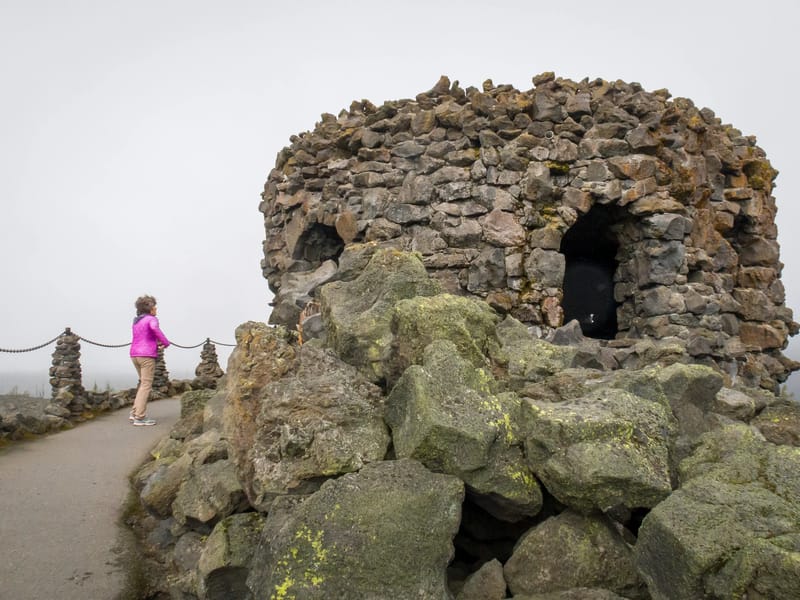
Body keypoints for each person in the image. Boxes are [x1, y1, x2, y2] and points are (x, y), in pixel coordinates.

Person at [129, 295, 170, 426]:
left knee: (143, 384)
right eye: (154, 307)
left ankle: (134, 412)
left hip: (134, 355)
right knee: (146, 385)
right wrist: (165, 342)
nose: (156, 309)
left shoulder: (136, 321)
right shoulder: (152, 319)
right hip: (146, 355)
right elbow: (154, 329)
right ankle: (140, 417)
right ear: (150, 308)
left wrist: (156, 342)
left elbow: (145, 336)